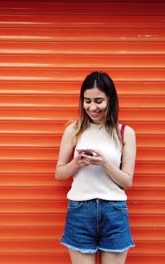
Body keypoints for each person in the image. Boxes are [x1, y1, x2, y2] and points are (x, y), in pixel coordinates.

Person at [55, 71, 136, 264]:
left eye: (99, 101)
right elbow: (59, 174)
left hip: (114, 211)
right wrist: (77, 163)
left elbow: (127, 181)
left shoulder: (125, 132)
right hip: (80, 210)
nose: (92, 107)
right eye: (87, 100)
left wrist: (105, 163)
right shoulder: (73, 130)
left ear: (110, 100)